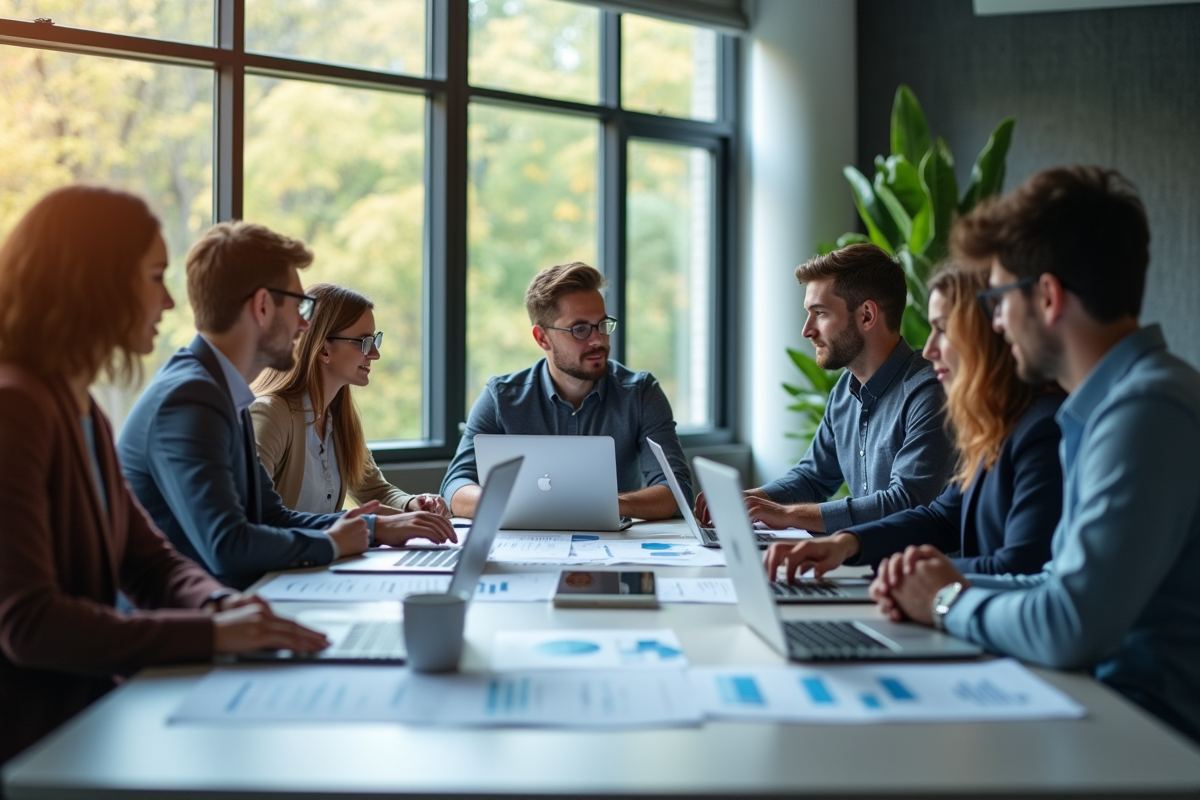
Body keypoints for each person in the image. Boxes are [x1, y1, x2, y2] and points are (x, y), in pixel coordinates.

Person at [869, 165, 1200, 744]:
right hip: (1105, 712)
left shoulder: (1146, 409)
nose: (995, 322)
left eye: (998, 298)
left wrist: (945, 601)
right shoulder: (1105, 408)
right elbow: (1055, 582)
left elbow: (1069, 624)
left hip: (1147, 737)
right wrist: (937, 587)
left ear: (1047, 297)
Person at [0, 186, 328, 767]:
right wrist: (212, 634)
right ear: (94, 282)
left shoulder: (80, 407)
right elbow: (30, 623)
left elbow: (148, 562)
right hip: (38, 743)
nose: (170, 301)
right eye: (154, 277)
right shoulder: (16, 406)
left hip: (86, 719)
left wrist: (219, 607)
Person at [119, 222, 455, 591]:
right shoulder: (190, 398)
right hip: (191, 614)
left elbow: (271, 515)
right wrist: (334, 543)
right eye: (299, 305)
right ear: (263, 306)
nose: (303, 324)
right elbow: (228, 546)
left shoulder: (221, 392)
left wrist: (374, 527)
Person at [765, 265, 1063, 581]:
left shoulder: (1041, 428)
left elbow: (1019, 566)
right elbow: (943, 518)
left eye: (942, 329)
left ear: (990, 333)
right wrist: (847, 543)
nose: (930, 351)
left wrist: (909, 573)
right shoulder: (995, 425)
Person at [695, 243, 954, 533]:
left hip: (921, 561)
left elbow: (905, 503)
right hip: (865, 557)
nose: (807, 330)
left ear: (867, 316)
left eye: (820, 313)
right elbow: (812, 478)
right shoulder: (845, 392)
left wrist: (788, 514)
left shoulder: (930, 392)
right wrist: (752, 499)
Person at [441, 261, 690, 520]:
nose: (598, 340)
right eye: (580, 329)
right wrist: (525, 504)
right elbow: (456, 486)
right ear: (542, 338)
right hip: (525, 540)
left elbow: (676, 491)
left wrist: (602, 503)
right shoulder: (500, 398)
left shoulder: (640, 393)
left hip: (615, 542)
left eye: (602, 324)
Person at [250, 283, 448, 517]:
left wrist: (412, 503)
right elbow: (256, 516)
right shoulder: (269, 416)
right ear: (324, 350)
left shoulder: (338, 419)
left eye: (375, 340)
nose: (375, 354)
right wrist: (363, 524)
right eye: (364, 342)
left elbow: (376, 491)